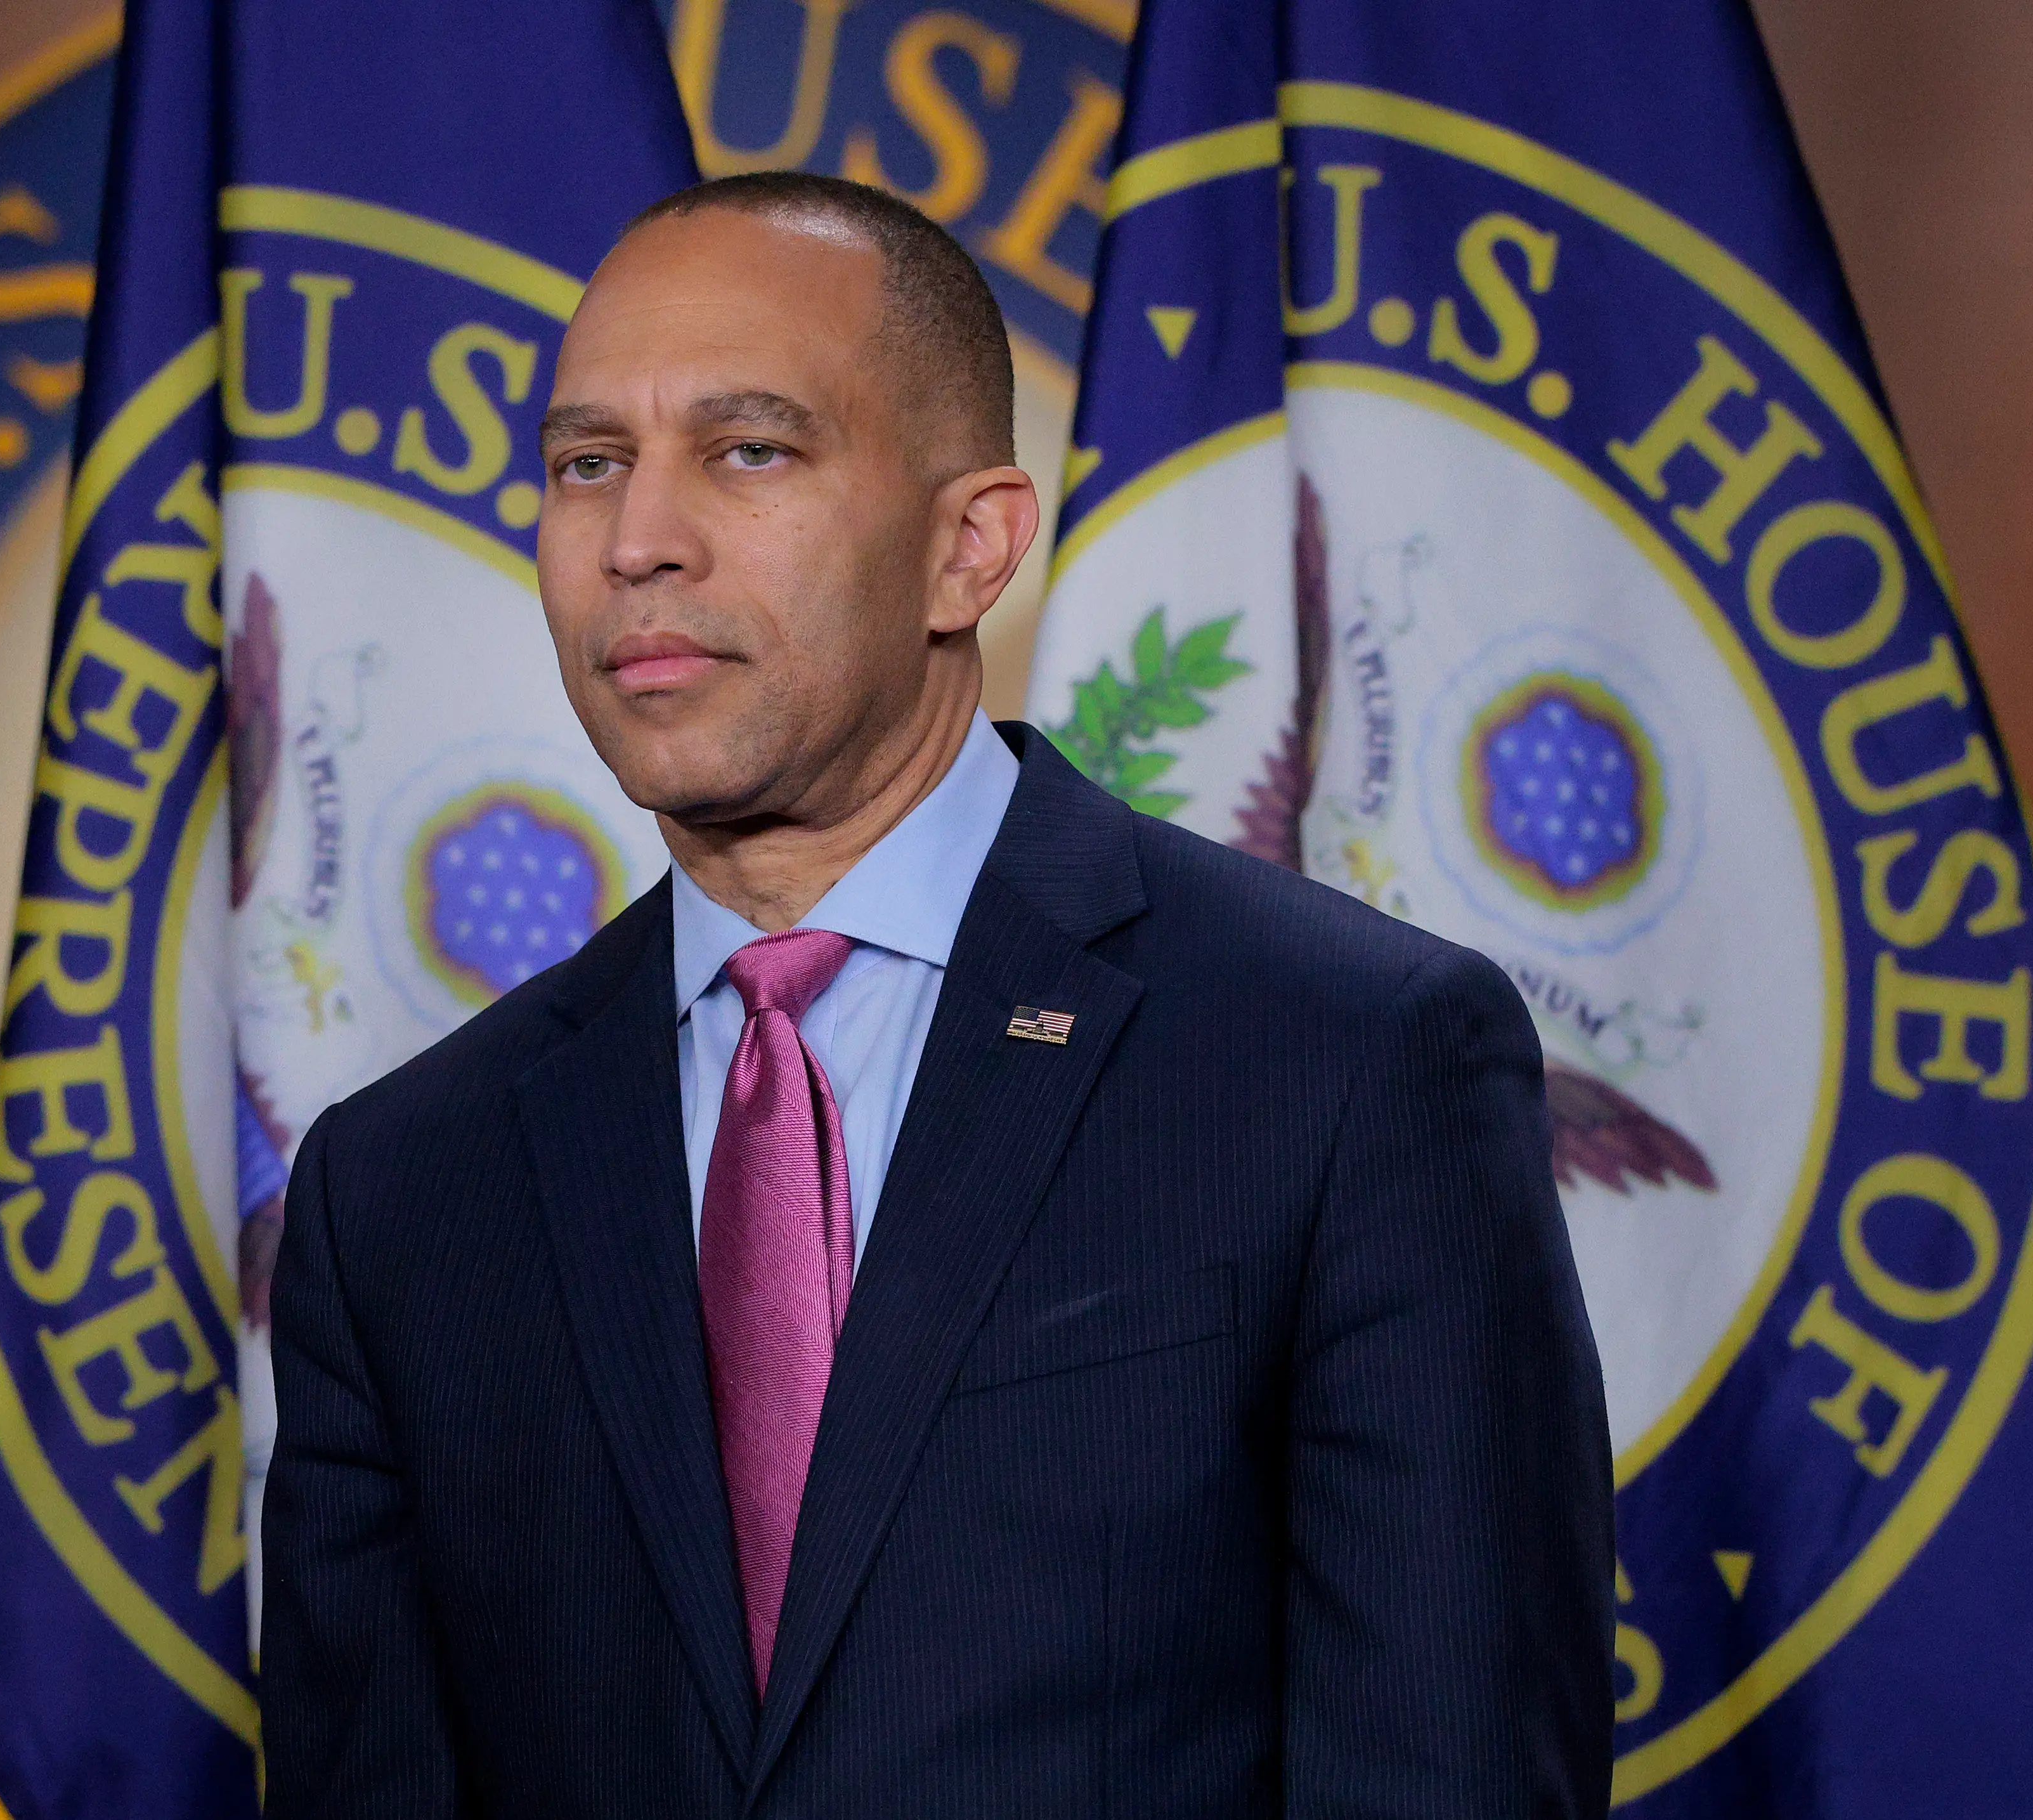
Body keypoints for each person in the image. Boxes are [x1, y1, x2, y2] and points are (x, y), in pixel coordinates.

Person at [260, 172, 1614, 1819]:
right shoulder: (404, 1183)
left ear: (969, 547)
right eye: (586, 462)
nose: (638, 539)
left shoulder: (1343, 1063)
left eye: (748, 448)